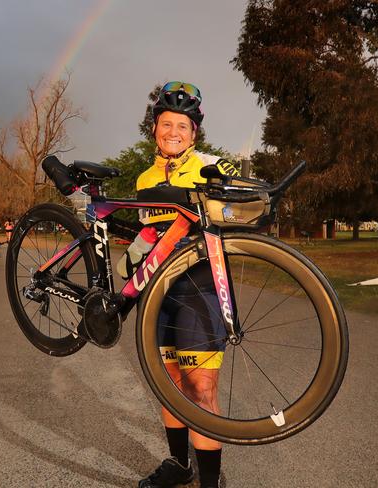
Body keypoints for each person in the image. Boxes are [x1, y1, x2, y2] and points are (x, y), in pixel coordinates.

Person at [117, 81, 238, 488]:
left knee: (201, 390)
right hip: (159, 294)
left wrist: (209, 197)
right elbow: (148, 234)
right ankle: (178, 463)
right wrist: (128, 265)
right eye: (165, 123)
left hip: (199, 291)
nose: (173, 132)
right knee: (169, 383)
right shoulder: (144, 178)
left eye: (182, 126)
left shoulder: (211, 165)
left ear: (194, 133)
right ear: (154, 129)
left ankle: (209, 480)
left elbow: (239, 213)